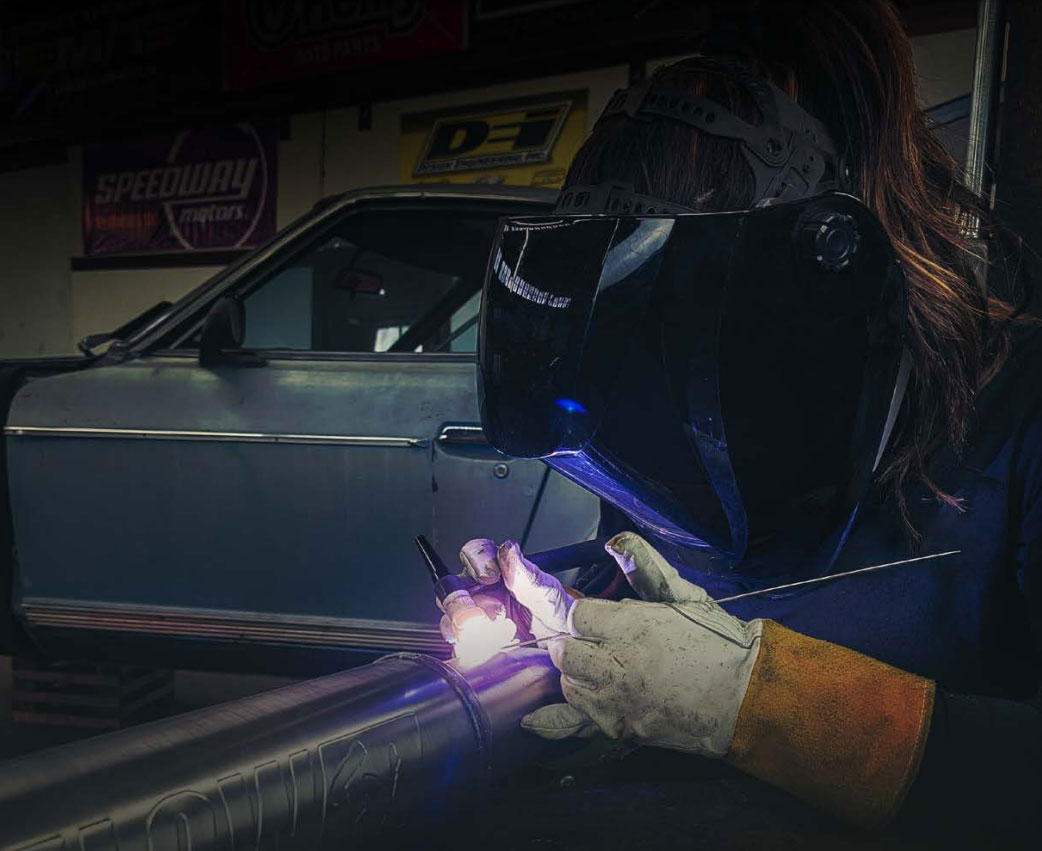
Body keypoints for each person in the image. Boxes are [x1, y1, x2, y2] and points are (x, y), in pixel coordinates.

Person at [439, 0, 1041, 843]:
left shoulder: (1018, 415)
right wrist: (573, 621)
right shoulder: (673, 395)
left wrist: (762, 703)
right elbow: (697, 591)